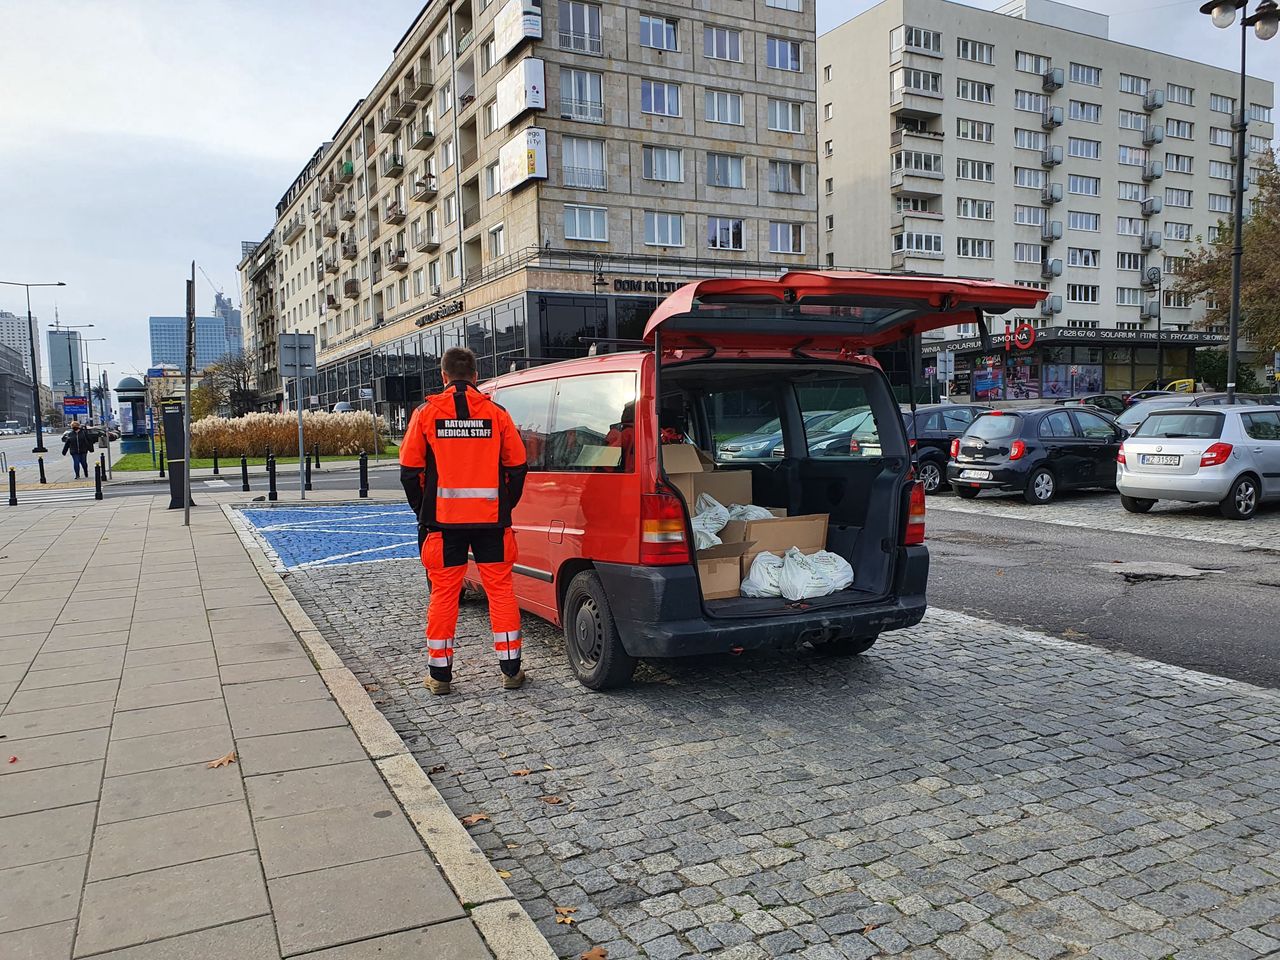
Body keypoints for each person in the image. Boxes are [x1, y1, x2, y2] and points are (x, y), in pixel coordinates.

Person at [399, 347, 528, 695]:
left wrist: (423, 512)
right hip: (491, 523)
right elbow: (518, 467)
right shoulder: (496, 413)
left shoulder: (425, 414)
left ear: (443, 377)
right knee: (500, 591)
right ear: (475, 376)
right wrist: (505, 506)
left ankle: (440, 677)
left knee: (444, 594)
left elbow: (410, 473)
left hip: (442, 524)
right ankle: (511, 671)